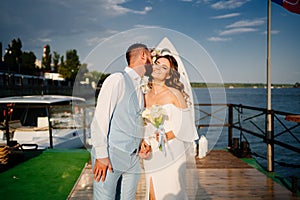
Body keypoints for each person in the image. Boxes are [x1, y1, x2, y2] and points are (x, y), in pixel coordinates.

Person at [91, 43, 152, 200]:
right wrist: (102, 155)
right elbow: (100, 119)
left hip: (133, 158)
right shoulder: (116, 79)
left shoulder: (141, 86)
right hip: (111, 156)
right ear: (143, 56)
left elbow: (134, 119)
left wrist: (141, 143)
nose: (152, 62)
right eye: (151, 57)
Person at [143, 54, 199, 200]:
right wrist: (144, 141)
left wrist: (167, 135)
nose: (159, 68)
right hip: (152, 151)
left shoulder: (175, 94)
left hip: (172, 149)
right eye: (157, 63)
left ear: (169, 74)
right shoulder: (145, 95)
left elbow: (187, 124)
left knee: (171, 191)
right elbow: (143, 124)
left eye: (164, 67)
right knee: (152, 192)